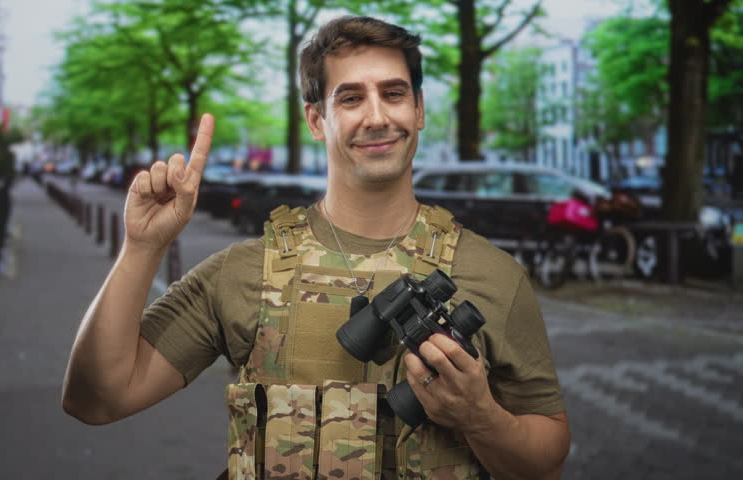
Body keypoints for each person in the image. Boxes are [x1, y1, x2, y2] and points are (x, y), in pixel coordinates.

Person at [62, 16, 570, 479]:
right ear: (316, 120)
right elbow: (96, 399)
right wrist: (141, 247)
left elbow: (545, 460)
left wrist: (479, 416)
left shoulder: (494, 276)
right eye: (350, 98)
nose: (376, 116)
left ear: (419, 111)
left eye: (394, 94)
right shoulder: (244, 272)